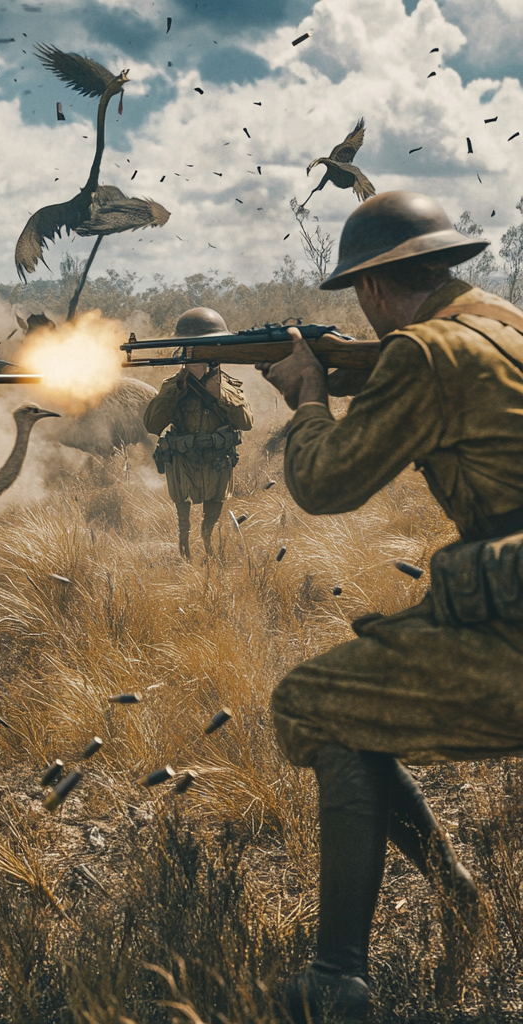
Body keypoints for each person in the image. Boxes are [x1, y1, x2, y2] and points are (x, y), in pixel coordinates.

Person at [257, 190, 523, 1023]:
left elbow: (326, 483)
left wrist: (307, 393)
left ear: (371, 289)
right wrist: (361, 366)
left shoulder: (421, 354)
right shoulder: (502, 322)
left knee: (316, 704)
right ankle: (456, 895)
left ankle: (338, 976)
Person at [143, 307, 253, 559]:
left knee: (211, 520)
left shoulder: (227, 385)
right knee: (184, 522)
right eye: (191, 350)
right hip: (184, 464)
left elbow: (246, 422)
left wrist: (219, 393)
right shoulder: (173, 385)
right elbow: (152, 424)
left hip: (217, 463)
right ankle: (185, 555)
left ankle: (211, 552)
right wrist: (178, 388)